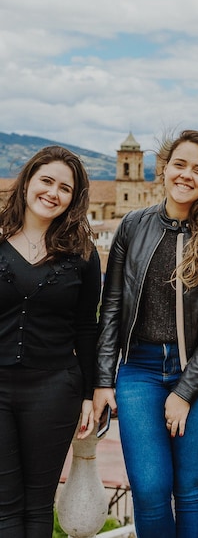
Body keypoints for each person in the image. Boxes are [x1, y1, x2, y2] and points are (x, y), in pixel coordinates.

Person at [93, 129, 198, 538]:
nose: (186, 175)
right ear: (163, 169)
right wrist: (103, 377)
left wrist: (185, 391)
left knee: (192, 488)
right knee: (149, 488)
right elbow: (111, 306)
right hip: (139, 371)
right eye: (179, 165)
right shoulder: (132, 225)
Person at [0, 145, 101, 538]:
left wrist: (90, 393)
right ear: (27, 182)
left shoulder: (83, 256)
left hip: (54, 389)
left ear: (73, 200)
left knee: (39, 507)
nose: (53, 193)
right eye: (47, 181)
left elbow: (86, 327)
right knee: (5, 508)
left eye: (65, 188)